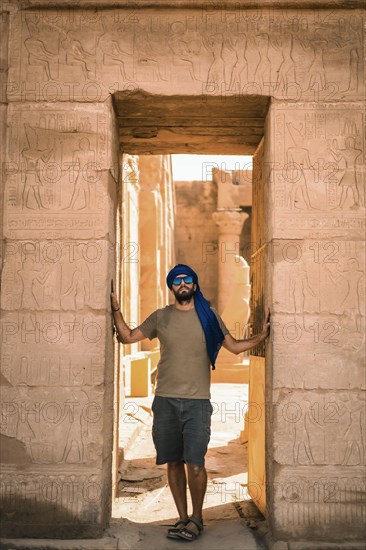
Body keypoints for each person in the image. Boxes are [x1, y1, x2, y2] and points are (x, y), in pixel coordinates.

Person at [110, 263, 270, 542]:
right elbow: (127, 337)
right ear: (171, 287)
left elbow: (232, 346)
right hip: (165, 402)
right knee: (173, 462)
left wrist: (261, 337)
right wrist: (115, 309)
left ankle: (197, 518)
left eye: (187, 280)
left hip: (197, 403)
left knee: (195, 463)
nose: (182, 284)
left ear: (194, 285)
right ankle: (182, 517)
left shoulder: (209, 317)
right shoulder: (161, 317)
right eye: (176, 281)